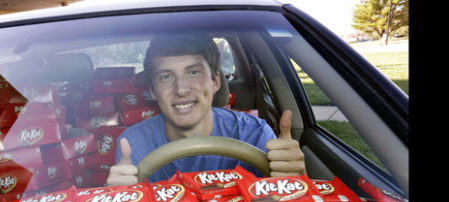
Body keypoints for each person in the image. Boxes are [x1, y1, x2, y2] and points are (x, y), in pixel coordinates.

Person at [106, 33, 305, 186]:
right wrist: (119, 200)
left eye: (193, 72)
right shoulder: (133, 144)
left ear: (216, 81)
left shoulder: (256, 135)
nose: (181, 89)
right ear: (153, 91)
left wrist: (296, 179)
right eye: (166, 77)